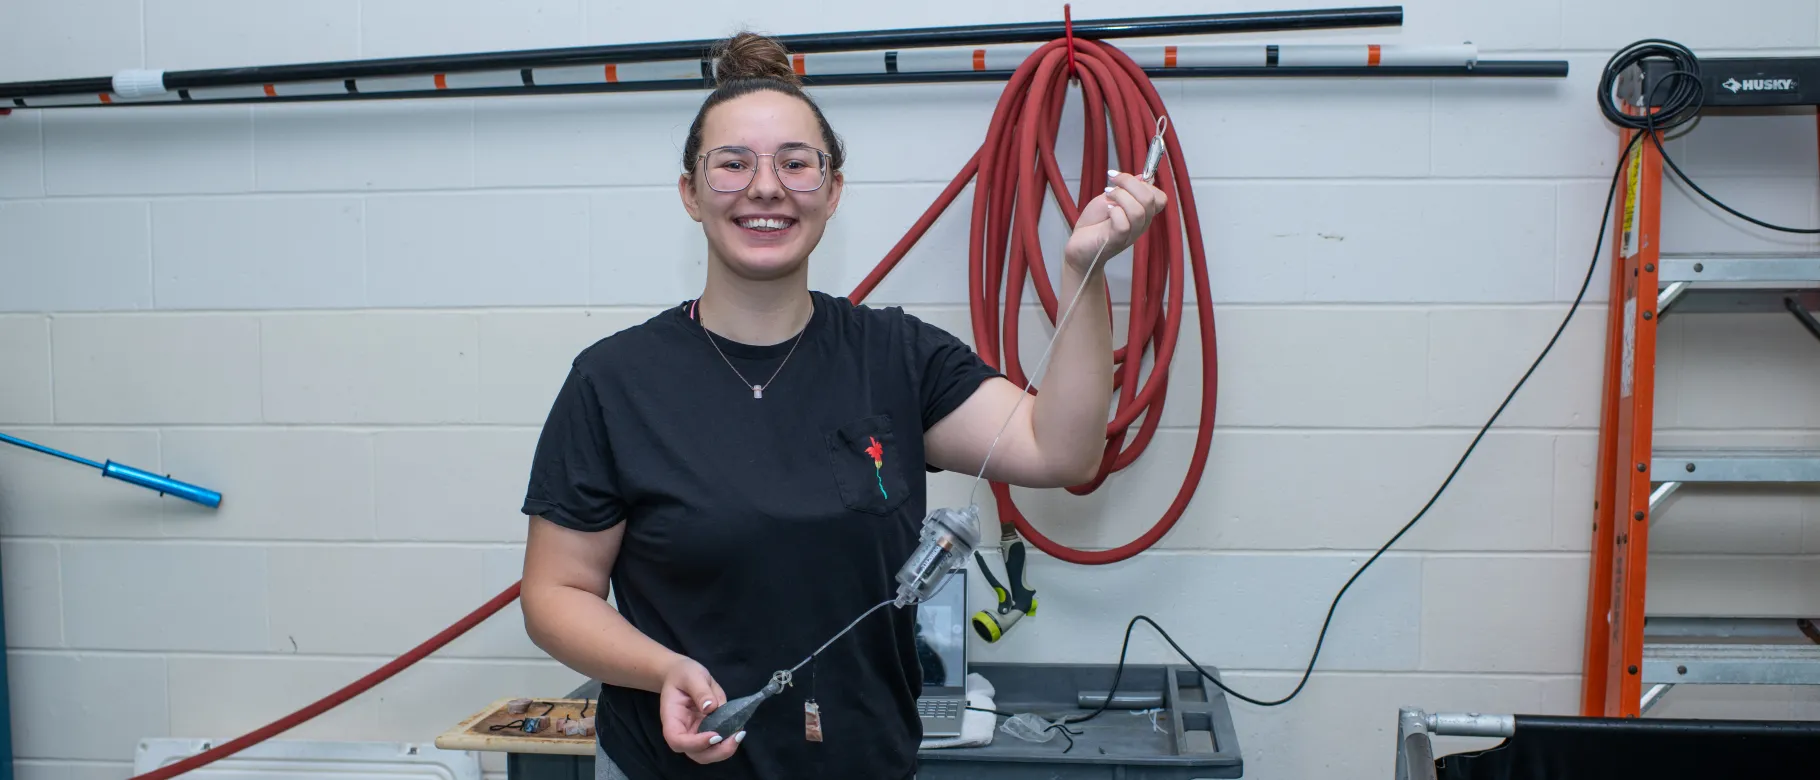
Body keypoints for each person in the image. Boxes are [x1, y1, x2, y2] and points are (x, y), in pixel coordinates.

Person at [517, 29, 1166, 780]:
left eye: (796, 163)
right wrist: (662, 669)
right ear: (691, 193)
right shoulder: (614, 381)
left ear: (833, 190)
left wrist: (1085, 272)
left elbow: (1062, 451)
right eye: (732, 165)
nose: (766, 187)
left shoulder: (898, 356)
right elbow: (555, 592)